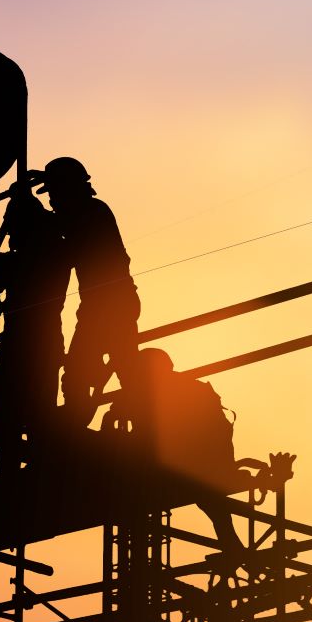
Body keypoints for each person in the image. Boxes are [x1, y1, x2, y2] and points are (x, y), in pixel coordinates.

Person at [33, 156, 140, 428]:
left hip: (108, 306)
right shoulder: (89, 213)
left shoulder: (91, 214)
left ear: (68, 189)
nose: (51, 201)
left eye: (54, 193)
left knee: (84, 374)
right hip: (107, 304)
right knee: (120, 367)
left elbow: (65, 247)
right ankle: (138, 421)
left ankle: (75, 430)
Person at [106, 347, 243, 553]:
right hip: (199, 466)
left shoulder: (162, 393)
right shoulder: (185, 389)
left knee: (210, 500)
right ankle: (231, 542)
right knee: (212, 503)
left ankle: (230, 541)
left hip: (186, 466)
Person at [0, 178, 70, 465]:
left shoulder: (22, 259)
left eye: (13, 229)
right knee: (39, 417)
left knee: (5, 420)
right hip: (46, 345)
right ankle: (36, 471)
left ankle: (10, 478)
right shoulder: (57, 252)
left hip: (19, 348)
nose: (10, 235)